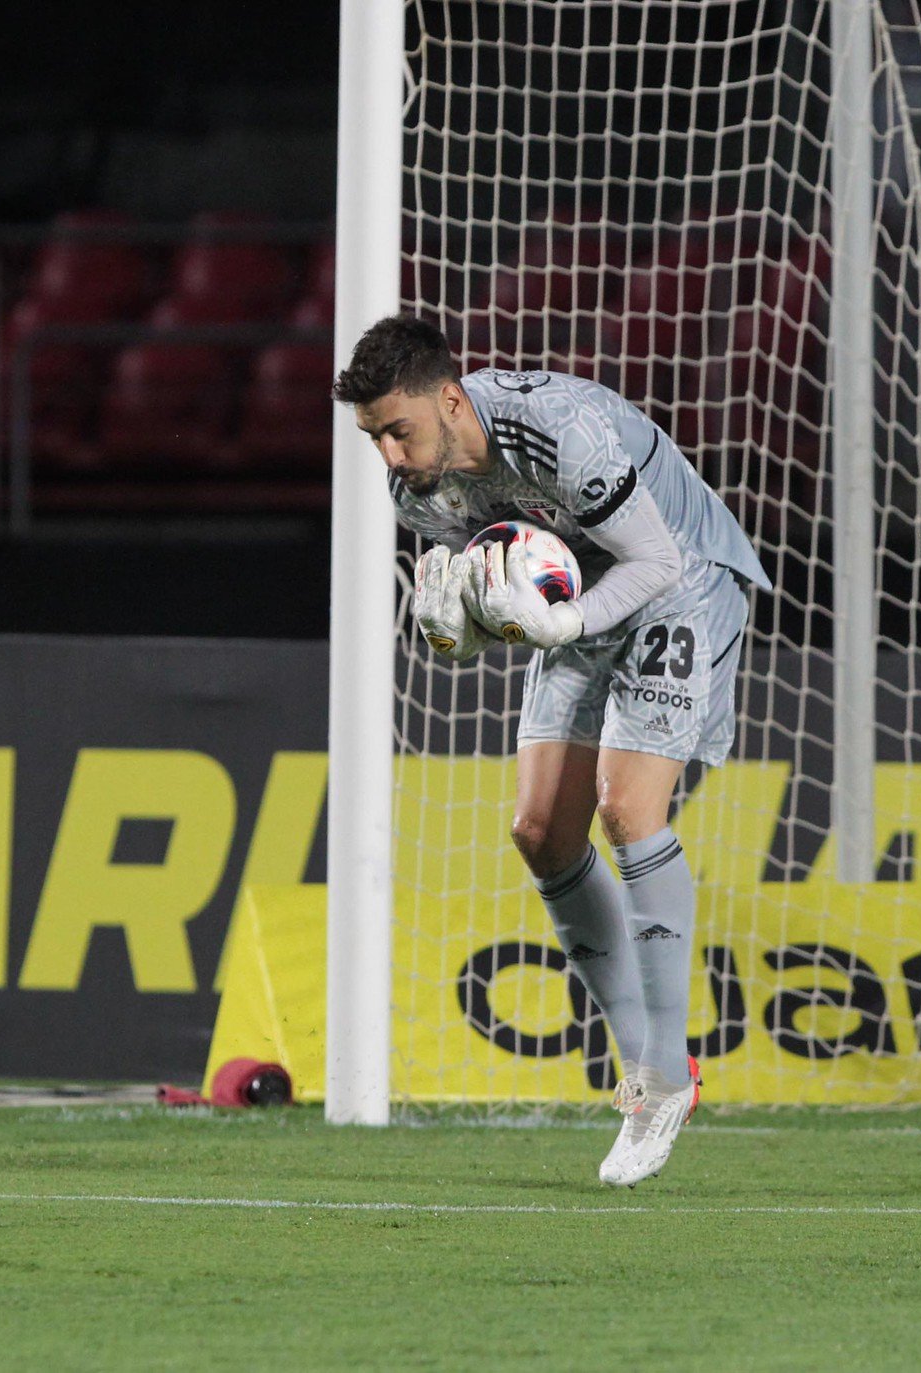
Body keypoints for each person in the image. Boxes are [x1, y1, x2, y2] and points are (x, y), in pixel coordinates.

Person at [332, 314, 772, 1187]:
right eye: (373, 436)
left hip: (681, 581)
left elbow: (650, 561)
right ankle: (645, 1057)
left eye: (397, 430)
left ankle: (658, 1077)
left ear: (450, 400)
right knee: (540, 832)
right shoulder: (419, 492)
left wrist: (562, 621)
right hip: (589, 601)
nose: (387, 455)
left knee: (627, 806)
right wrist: (458, 632)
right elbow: (511, 603)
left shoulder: (560, 431)